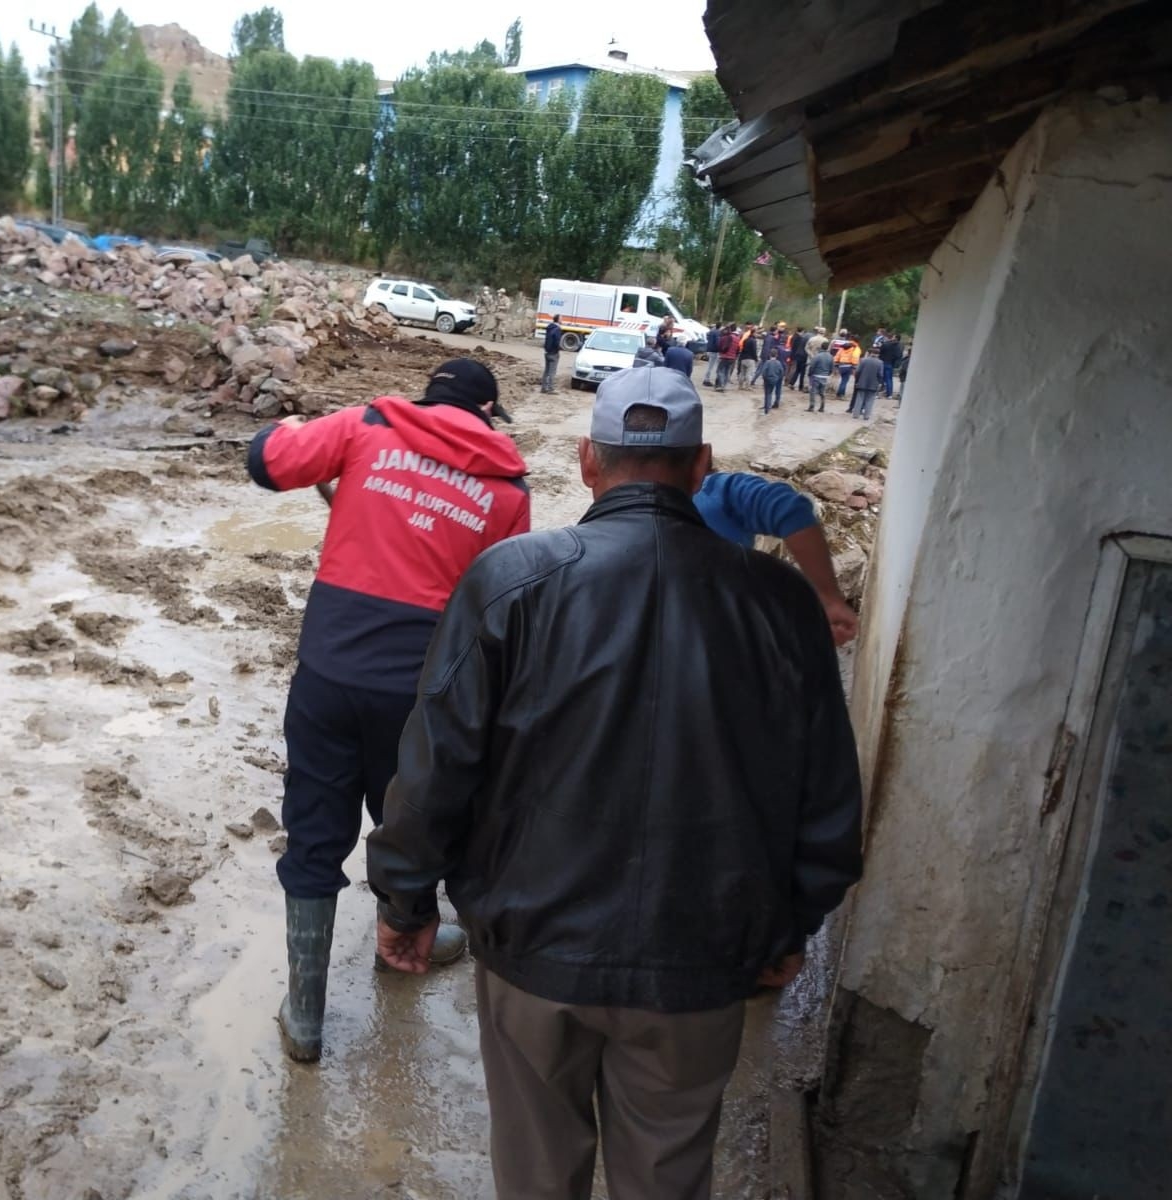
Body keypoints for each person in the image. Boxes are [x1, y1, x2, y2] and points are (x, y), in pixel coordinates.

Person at [366, 367, 864, 1200]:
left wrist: (404, 902)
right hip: (702, 958)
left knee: (534, 1172)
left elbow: (435, 767)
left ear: (586, 460)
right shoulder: (779, 603)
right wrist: (791, 925)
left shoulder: (510, 581)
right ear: (701, 464)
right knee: (668, 1174)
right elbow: (826, 792)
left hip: (533, 951)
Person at [246, 358, 531, 1064]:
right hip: (421, 695)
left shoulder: (366, 428)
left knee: (315, 832)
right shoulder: (507, 490)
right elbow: (501, 602)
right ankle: (403, 931)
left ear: (426, 397)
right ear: (488, 415)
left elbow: (266, 464)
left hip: (329, 677)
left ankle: (306, 1015)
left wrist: (279, 429)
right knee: (406, 816)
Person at [695, 471, 859, 644]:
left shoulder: (714, 496)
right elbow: (791, 511)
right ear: (704, 456)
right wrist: (830, 599)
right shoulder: (716, 494)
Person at [851, 345, 885, 421]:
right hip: (873, 383)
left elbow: (858, 371)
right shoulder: (880, 363)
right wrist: (879, 382)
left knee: (859, 398)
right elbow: (880, 374)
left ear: (870, 353)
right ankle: (866, 416)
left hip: (862, 382)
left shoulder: (863, 360)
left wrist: (857, 380)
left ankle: (856, 414)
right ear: (878, 354)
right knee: (870, 399)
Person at [807, 344, 836, 412]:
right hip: (825, 377)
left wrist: (810, 374)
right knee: (822, 393)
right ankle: (822, 407)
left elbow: (812, 366)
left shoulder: (817, 356)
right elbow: (832, 367)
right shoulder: (830, 357)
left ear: (821, 347)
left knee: (813, 392)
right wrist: (828, 374)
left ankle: (812, 406)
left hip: (816, 376)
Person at [834, 333, 860, 400]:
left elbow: (838, 354)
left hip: (841, 365)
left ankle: (838, 394)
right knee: (844, 381)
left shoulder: (844, 346)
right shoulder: (856, 348)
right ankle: (840, 394)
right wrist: (854, 366)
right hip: (848, 365)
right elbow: (855, 357)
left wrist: (836, 363)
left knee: (842, 380)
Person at [714, 323, 740, 390]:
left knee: (719, 371)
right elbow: (738, 349)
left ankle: (721, 385)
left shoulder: (728, 337)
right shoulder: (737, 338)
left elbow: (723, 346)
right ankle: (724, 386)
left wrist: (722, 351)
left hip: (725, 356)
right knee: (727, 372)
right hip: (732, 358)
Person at [879, 331, 903, 398]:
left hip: (883, 362)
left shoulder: (886, 344)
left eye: (893, 337)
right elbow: (898, 356)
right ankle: (889, 394)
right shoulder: (899, 347)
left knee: (880, 377)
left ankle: (878, 393)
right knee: (889, 379)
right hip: (891, 364)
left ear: (895, 338)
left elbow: (881, 351)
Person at [542, 317, 563, 392]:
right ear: (558, 320)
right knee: (552, 372)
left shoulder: (549, 327)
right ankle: (550, 388)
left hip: (547, 352)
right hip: (554, 353)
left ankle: (543, 388)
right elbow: (557, 341)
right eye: (561, 318)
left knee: (546, 371)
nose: (562, 320)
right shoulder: (557, 329)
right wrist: (558, 349)